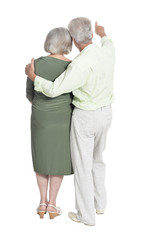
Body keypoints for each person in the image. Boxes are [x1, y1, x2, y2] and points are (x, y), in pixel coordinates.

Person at [25, 17, 115, 226]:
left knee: (82, 166)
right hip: (105, 114)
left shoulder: (79, 65)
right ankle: (99, 204)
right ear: (90, 35)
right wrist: (103, 33)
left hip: (85, 118)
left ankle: (86, 216)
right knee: (97, 159)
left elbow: (55, 89)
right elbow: (109, 42)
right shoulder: (106, 51)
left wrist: (33, 76)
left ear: (74, 40)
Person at [26, 27, 73, 219]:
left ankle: (42, 202)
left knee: (42, 158)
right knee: (58, 160)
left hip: (40, 117)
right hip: (63, 118)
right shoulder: (73, 65)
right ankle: (53, 204)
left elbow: (29, 93)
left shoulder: (35, 63)